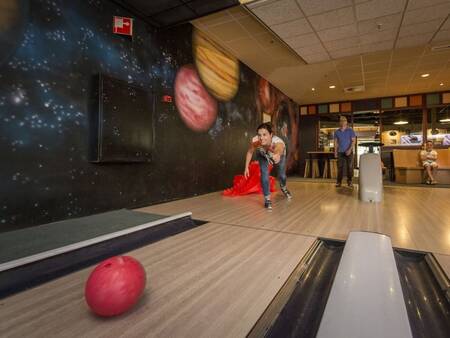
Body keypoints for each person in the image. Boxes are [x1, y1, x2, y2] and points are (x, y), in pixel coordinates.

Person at [244, 122, 292, 210]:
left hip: (279, 155)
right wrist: (246, 167)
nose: (261, 138)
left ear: (271, 135)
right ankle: (267, 199)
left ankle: (283, 187)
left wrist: (277, 154)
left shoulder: (277, 142)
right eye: (259, 135)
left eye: (265, 134)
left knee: (282, 175)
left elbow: (279, 148)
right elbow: (250, 151)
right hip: (263, 154)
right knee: (264, 174)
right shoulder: (256, 141)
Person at [334, 116, 356, 187]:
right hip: (340, 152)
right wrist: (335, 152)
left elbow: (353, 141)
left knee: (349, 167)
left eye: (344, 121)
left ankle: (349, 181)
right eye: (341, 121)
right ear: (339, 122)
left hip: (349, 152)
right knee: (340, 167)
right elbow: (336, 143)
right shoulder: (337, 132)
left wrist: (349, 149)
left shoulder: (350, 131)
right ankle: (338, 182)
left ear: (346, 122)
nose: (343, 122)